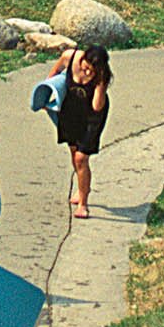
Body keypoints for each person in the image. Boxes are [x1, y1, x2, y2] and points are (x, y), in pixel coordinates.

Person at [54, 44, 111, 220]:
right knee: (73, 153)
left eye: (91, 71)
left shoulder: (102, 77)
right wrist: (46, 97)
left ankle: (83, 204)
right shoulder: (69, 57)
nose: (86, 73)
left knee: (81, 157)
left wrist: (100, 84)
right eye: (85, 68)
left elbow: (97, 106)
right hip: (71, 110)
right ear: (83, 59)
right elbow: (52, 76)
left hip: (92, 117)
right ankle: (81, 188)